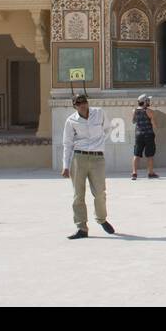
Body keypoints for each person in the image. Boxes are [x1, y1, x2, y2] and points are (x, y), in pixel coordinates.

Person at [61, 93, 115, 239]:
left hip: (97, 158)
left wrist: (101, 141)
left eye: (84, 102)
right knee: (78, 194)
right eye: (79, 103)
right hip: (79, 157)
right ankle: (81, 227)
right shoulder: (71, 120)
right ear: (74, 106)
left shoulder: (99, 113)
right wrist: (65, 165)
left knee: (100, 192)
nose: (82, 105)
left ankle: (101, 219)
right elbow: (67, 143)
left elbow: (108, 128)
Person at [130, 94, 157, 180]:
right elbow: (153, 123)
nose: (149, 102)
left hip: (139, 134)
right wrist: (156, 128)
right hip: (148, 134)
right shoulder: (150, 111)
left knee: (136, 154)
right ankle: (150, 172)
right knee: (150, 155)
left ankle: (134, 173)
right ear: (144, 102)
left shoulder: (134, 110)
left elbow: (133, 121)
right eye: (148, 101)